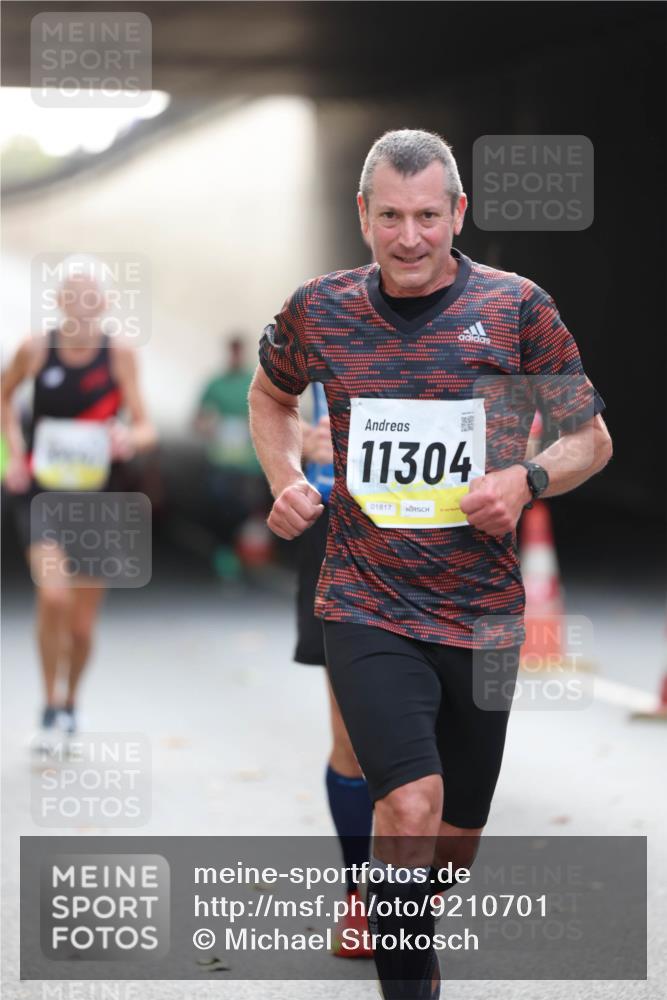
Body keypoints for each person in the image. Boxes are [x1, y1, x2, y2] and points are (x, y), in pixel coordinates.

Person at [248, 129, 612, 998]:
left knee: (450, 840)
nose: (408, 237)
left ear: (458, 213)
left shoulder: (518, 307)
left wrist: (524, 480)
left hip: (481, 611)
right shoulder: (320, 308)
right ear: (362, 217)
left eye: (426, 216)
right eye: (389, 217)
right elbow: (270, 396)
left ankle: (401, 905)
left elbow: (589, 438)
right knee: (405, 810)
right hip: (363, 600)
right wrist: (285, 476)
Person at [2, 265, 156, 750]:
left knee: (83, 626)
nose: (83, 303)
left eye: (92, 295)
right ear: (60, 301)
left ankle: (71, 704)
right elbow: (3, 399)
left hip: (100, 502)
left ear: (105, 303)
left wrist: (127, 436)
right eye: (74, 294)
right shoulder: (35, 349)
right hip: (42, 495)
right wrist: (12, 456)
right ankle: (48, 706)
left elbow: (145, 424)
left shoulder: (120, 356)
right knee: (53, 598)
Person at [297, 383, 373, 959]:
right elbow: (268, 406)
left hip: (446, 544)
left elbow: (530, 419)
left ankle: (411, 882)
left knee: (438, 741)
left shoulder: (484, 311)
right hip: (339, 538)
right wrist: (299, 444)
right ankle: (360, 895)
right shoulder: (325, 313)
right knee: (351, 739)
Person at [194, 335, 270, 576]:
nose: (236, 355)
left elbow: (272, 413)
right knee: (219, 505)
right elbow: (197, 419)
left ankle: (244, 549)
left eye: (239, 351)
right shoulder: (216, 383)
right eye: (233, 351)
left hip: (249, 462)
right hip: (221, 459)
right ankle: (225, 550)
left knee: (247, 507)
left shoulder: (255, 380)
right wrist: (208, 425)